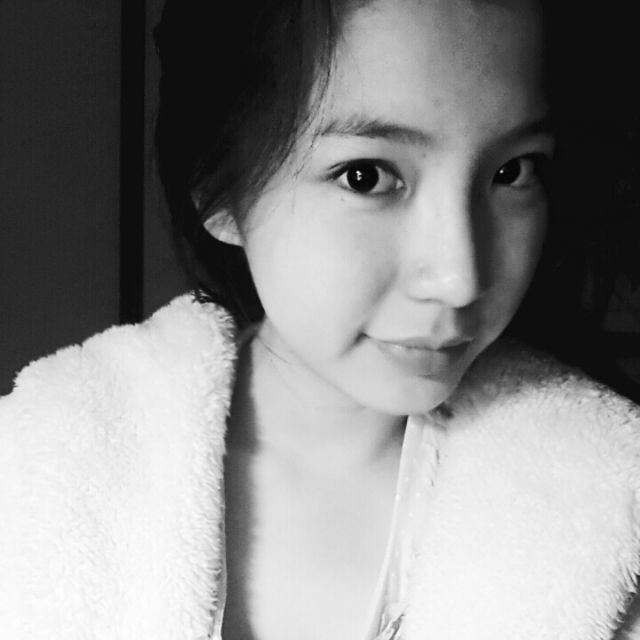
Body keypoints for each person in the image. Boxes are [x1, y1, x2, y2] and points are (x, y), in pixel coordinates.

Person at [2, 0, 640, 639]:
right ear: (218, 186)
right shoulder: (39, 474)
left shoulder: (611, 512)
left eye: (511, 172)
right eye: (366, 177)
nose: (459, 277)